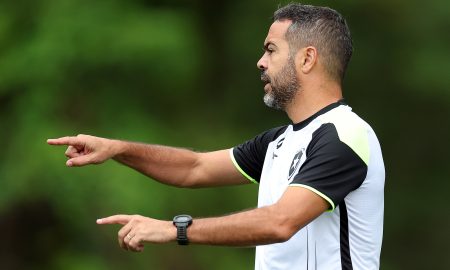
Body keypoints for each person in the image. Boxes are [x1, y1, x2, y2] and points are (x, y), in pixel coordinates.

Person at [48, 3, 385, 270]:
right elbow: (194, 168)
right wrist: (117, 149)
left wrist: (174, 229)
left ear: (307, 58)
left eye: (271, 50)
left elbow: (280, 222)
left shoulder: (345, 134)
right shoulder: (278, 142)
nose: (260, 62)